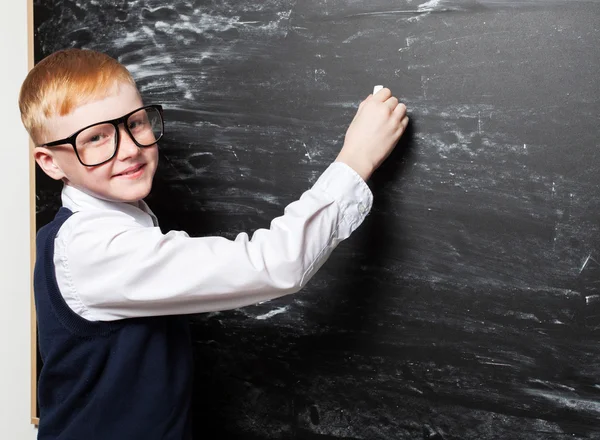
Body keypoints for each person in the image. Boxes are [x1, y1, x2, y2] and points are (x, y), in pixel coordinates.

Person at [19, 48, 409, 439]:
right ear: (50, 162)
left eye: (135, 122)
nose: (129, 148)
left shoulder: (104, 224)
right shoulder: (92, 248)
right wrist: (356, 158)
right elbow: (274, 264)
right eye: (96, 138)